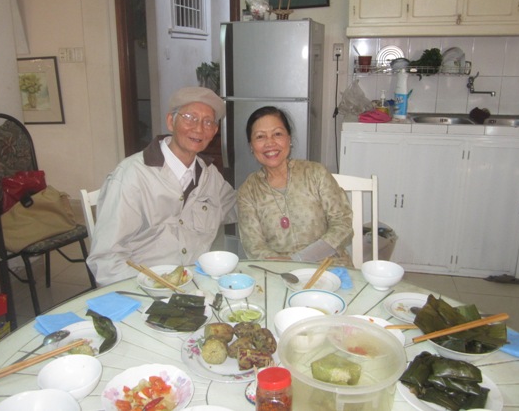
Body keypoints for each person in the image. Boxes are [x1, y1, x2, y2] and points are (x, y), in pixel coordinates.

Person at [87, 87, 237, 286]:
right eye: (190, 118)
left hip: (195, 284)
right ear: (170, 122)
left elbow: (240, 207)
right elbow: (106, 260)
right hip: (144, 288)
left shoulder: (210, 176)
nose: (199, 128)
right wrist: (154, 288)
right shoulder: (132, 176)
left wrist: (272, 180)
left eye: (208, 122)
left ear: (214, 131)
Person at [237, 106, 354, 265]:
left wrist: (299, 259)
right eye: (260, 137)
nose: (270, 143)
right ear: (251, 146)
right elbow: (254, 246)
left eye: (277, 134)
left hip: (329, 266)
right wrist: (286, 265)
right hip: (279, 271)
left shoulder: (315, 173)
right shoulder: (248, 191)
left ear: (289, 138)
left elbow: (343, 224)